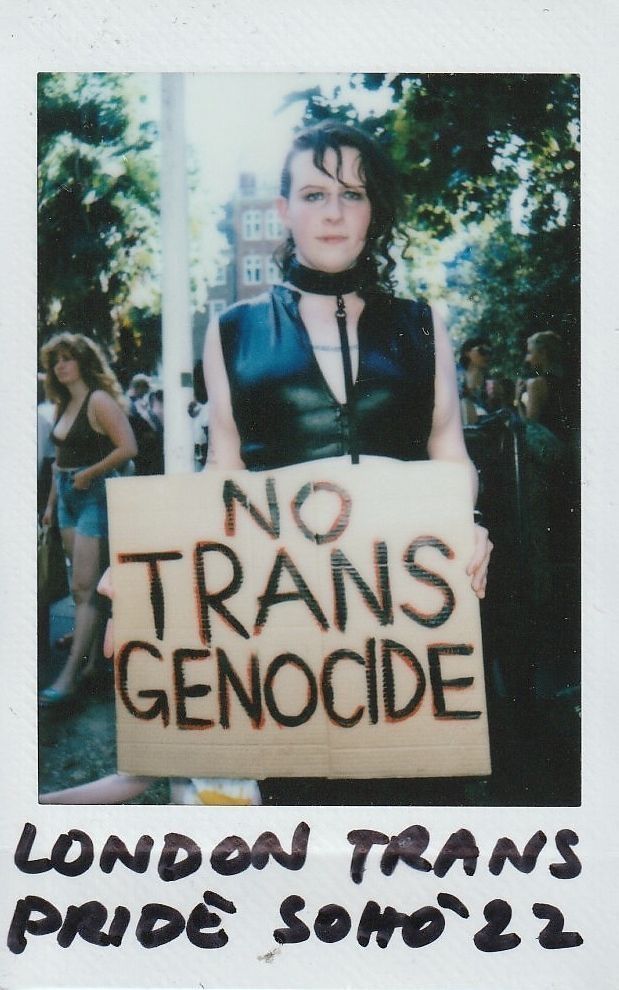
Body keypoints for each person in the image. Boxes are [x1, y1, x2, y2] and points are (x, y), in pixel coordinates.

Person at [42, 122, 492, 804]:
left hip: (408, 623)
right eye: (314, 194)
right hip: (284, 630)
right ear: (283, 210)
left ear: (374, 209)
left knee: (413, 818)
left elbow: (449, 454)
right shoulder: (235, 332)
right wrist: (149, 571)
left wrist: (468, 525)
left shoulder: (422, 325)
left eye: (352, 194)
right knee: (301, 813)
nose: (334, 211)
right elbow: (222, 478)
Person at [39, 332, 137, 707]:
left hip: (93, 494)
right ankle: (94, 661)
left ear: (83, 361)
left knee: (84, 587)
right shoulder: (63, 403)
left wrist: (90, 473)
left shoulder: (98, 400)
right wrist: (51, 504)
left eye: (67, 358)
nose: (60, 366)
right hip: (67, 497)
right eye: (55, 362)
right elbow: (58, 463)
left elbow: (128, 448)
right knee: (82, 587)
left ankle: (70, 675)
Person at [457, 336, 492, 425]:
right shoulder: (454, 373)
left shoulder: (488, 381)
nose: (487, 356)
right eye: (482, 351)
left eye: (490, 353)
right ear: (467, 352)